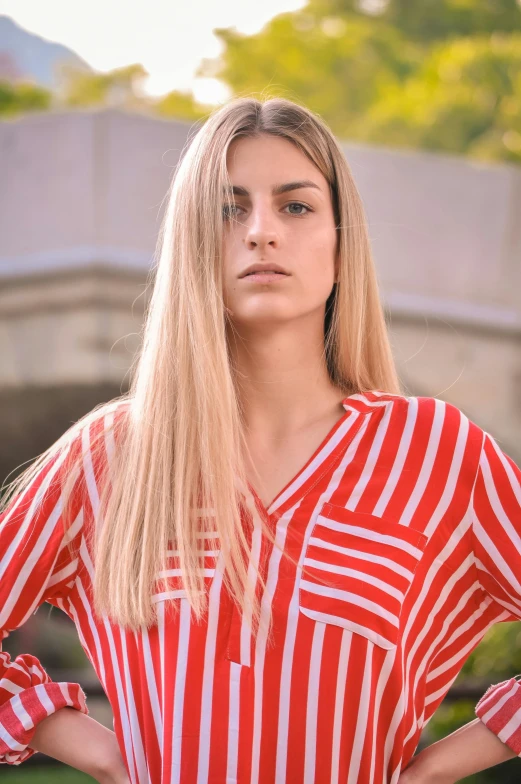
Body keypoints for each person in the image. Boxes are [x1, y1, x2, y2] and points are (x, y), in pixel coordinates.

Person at [0, 96, 520, 784]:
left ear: (342, 242)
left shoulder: (435, 452)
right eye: (228, 208)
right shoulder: (108, 454)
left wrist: (433, 770)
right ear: (194, 242)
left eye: (295, 206)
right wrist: (97, 750)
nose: (260, 232)